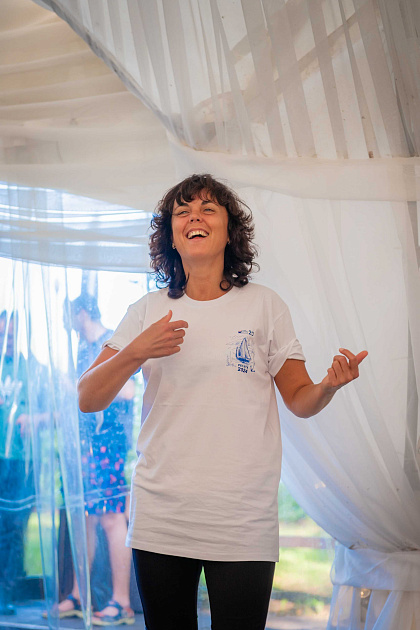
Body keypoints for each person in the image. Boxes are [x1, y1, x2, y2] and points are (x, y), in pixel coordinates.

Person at [76, 174, 368, 630]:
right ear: (172, 236)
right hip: (161, 516)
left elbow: (299, 399)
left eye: (208, 209)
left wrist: (328, 386)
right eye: (183, 211)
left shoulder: (265, 305)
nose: (194, 216)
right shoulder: (146, 310)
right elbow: (87, 396)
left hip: (242, 518)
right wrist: (136, 351)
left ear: (229, 231)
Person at [57, 294, 135, 626]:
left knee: (112, 519)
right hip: (86, 444)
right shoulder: (82, 348)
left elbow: (129, 390)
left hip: (109, 444)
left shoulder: (112, 342)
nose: (65, 323)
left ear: (81, 313)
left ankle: (122, 601)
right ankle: (79, 594)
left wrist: (80, 387)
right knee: (86, 518)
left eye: (67, 316)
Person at [0, 311, 48, 616]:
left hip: (21, 462)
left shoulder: (35, 370)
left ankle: (6, 593)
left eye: (12, 335)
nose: (7, 340)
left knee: (14, 529)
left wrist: (35, 419)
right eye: (3, 334)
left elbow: (54, 412)